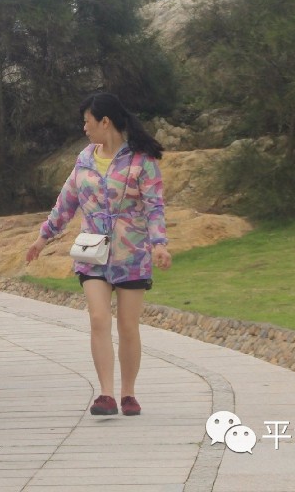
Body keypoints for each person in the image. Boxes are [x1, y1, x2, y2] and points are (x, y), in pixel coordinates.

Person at [25, 92, 171, 417]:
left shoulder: (142, 160)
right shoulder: (85, 159)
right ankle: (105, 393)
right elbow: (66, 203)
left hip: (132, 254)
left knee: (128, 326)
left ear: (105, 121)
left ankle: (128, 393)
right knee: (98, 318)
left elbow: (154, 207)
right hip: (92, 252)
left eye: (88, 122)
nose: (85, 128)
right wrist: (41, 239)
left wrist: (159, 243)